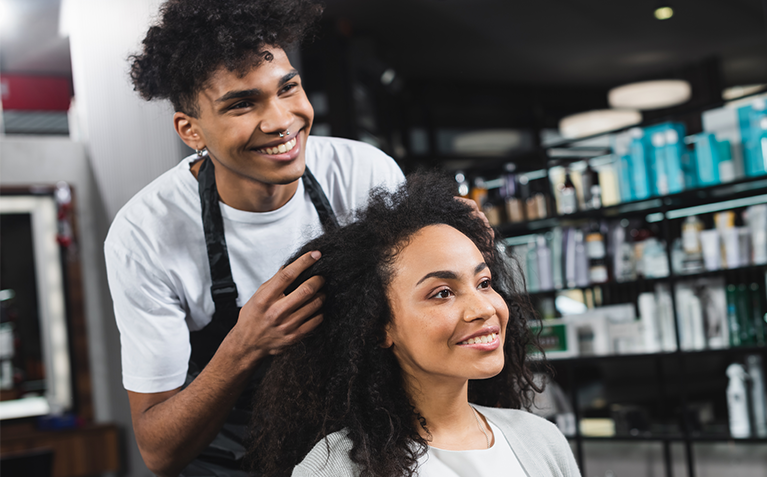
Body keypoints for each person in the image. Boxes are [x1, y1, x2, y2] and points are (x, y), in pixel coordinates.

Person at [103, 1, 406, 475]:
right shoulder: (145, 234)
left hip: (357, 451)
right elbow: (158, 450)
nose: (281, 120)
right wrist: (244, 346)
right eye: (242, 104)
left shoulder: (364, 174)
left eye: (288, 89)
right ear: (191, 130)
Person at [247, 173, 581, 477]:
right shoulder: (335, 468)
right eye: (443, 293)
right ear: (378, 327)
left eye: (483, 283)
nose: (483, 308)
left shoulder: (541, 441)